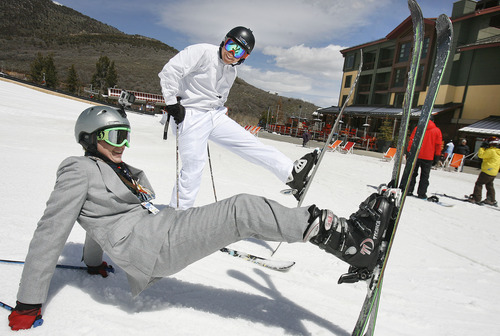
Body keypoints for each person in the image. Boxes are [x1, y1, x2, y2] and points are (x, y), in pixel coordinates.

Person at [8, 106, 395, 331]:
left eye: (126, 136)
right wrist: (28, 304)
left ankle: (348, 239)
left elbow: (97, 218)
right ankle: (349, 239)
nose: (122, 145)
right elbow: (52, 230)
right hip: (152, 247)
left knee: (242, 209)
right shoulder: (78, 168)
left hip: (162, 228)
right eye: (113, 137)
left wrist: (93, 264)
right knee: (242, 209)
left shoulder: (112, 168)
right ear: (90, 139)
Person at [158, 26, 316, 208]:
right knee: (193, 167)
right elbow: (170, 71)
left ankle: (290, 173)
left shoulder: (231, 72)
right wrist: (172, 104)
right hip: (190, 114)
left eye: (238, 51)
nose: (231, 53)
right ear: (225, 41)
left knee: (250, 143)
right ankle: (177, 214)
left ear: (244, 57)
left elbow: (219, 97)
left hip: (213, 115)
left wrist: (218, 113)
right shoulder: (201, 52)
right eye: (231, 45)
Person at [407, 118, 443, 199]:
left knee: (412, 174)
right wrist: (437, 156)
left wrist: (409, 152)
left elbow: (411, 141)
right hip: (428, 157)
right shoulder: (437, 131)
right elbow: (438, 145)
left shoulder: (418, 128)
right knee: (425, 176)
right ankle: (421, 193)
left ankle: (409, 190)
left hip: (416, 155)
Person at [467, 137, 500, 205]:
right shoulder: (497, 151)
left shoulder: (491, 151)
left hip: (487, 170)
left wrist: (482, 147)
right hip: (494, 171)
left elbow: (481, 155)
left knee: (479, 183)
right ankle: (491, 199)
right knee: (489, 185)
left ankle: (476, 198)